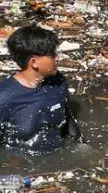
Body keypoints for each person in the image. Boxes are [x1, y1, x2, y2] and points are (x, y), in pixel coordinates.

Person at [0, 25, 82, 153]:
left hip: (56, 157)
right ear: (34, 62)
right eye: (51, 55)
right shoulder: (5, 97)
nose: (57, 57)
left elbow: (67, 117)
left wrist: (80, 143)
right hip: (20, 163)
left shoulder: (58, 83)